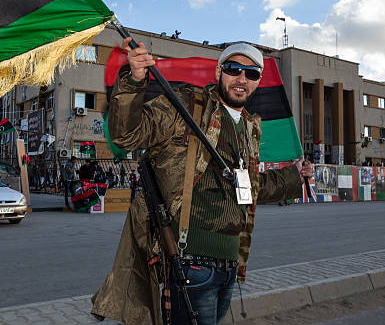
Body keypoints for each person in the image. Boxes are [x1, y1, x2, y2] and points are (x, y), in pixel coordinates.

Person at [91, 39, 314, 325]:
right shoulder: (186, 106)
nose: (241, 79)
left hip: (230, 264)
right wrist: (134, 81)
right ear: (219, 72)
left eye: (251, 73)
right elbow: (128, 135)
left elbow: (249, 188)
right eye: (234, 69)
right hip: (191, 263)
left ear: (258, 81)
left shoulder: (248, 126)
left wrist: (295, 175)